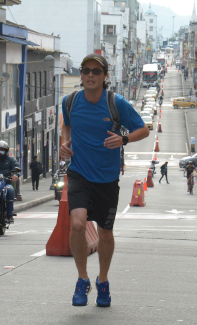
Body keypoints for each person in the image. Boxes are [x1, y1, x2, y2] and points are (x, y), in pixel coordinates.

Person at [60, 53, 149, 307]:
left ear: (105, 76)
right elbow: (66, 125)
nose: (90, 75)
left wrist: (123, 140)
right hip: (78, 172)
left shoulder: (116, 103)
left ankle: (103, 280)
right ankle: (82, 278)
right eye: (86, 70)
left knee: (105, 232)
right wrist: (64, 145)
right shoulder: (70, 101)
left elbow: (143, 129)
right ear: (80, 75)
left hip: (107, 178)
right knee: (77, 224)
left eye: (96, 71)